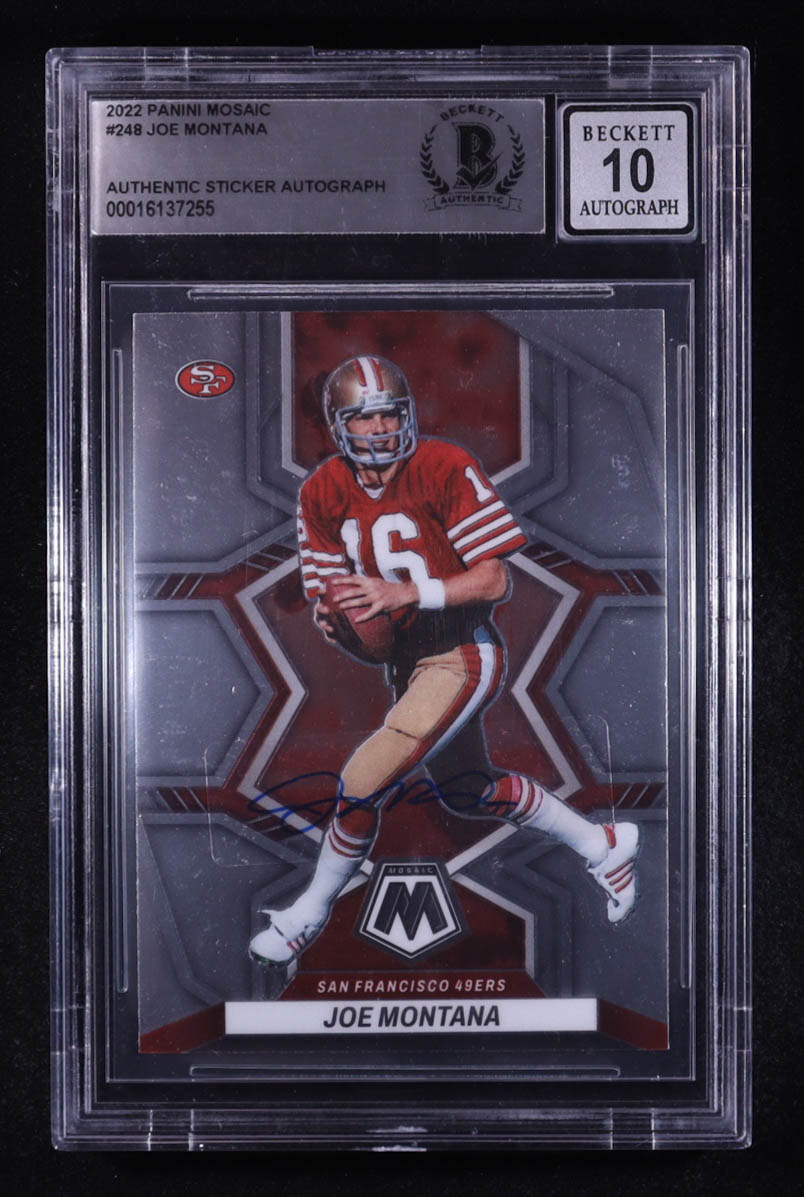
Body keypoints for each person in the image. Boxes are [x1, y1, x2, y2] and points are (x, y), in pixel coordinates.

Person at [249, 354, 639, 965]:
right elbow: (333, 598)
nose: (380, 429)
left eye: (389, 414)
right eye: (364, 418)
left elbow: (494, 580)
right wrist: (336, 620)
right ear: (338, 426)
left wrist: (405, 594)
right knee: (467, 791)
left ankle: (309, 913)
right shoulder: (321, 490)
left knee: (362, 779)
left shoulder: (444, 464)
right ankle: (603, 844)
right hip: (408, 665)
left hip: (462, 651)